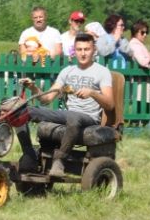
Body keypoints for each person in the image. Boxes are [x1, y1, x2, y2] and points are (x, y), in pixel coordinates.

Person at [20, 33, 113, 176]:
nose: (83, 53)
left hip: (88, 117)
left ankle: (59, 160)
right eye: (79, 49)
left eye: (86, 49)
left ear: (94, 50)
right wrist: (33, 87)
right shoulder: (67, 71)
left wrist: (93, 93)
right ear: (74, 51)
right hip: (68, 114)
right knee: (26, 110)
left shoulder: (102, 72)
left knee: (73, 118)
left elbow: (110, 104)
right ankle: (29, 153)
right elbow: (47, 98)